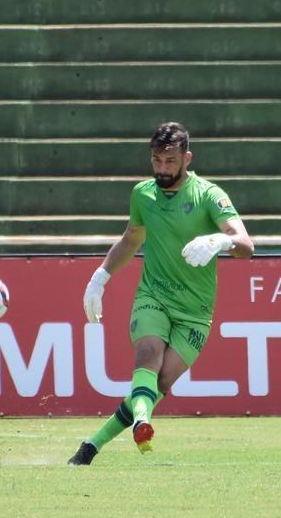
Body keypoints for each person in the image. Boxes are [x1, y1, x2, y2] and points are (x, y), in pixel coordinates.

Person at [68, 121, 254, 465]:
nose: (162, 169)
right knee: (147, 357)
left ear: (187, 158)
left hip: (195, 312)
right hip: (154, 295)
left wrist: (222, 240)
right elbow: (131, 240)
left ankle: (91, 446)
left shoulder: (209, 195)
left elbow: (246, 244)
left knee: (159, 383)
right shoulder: (143, 194)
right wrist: (101, 276)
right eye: (156, 160)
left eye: (169, 161)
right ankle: (143, 421)